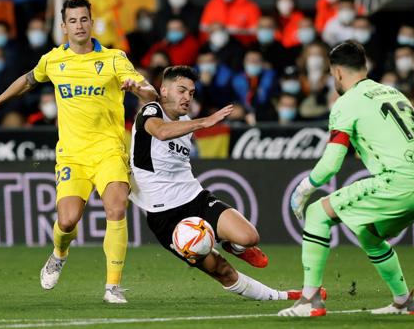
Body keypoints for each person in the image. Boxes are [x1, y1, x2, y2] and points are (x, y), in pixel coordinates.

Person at [0, 0, 159, 303]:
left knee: (116, 207)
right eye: (72, 21)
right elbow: (28, 80)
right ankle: (59, 253)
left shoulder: (115, 58)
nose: (79, 25)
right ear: (63, 26)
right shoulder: (53, 60)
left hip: (109, 150)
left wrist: (138, 88)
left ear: (92, 22)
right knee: (67, 221)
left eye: (84, 19)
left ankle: (112, 286)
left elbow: (149, 90)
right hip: (72, 155)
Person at [278, 41, 414, 317]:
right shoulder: (393, 92)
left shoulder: (347, 103)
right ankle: (403, 301)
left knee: (317, 213)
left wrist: (304, 188)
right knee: (370, 236)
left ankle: (309, 300)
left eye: (331, 75)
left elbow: (331, 164)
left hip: (398, 182)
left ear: (338, 72)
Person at [129, 65, 304, 302]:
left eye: (191, 93)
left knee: (249, 237)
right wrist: (205, 122)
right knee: (222, 272)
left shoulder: (186, 121)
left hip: (194, 197)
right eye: (182, 90)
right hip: (164, 216)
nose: (187, 97)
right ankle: (281, 296)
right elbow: (159, 131)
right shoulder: (151, 111)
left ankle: (234, 246)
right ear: (165, 90)